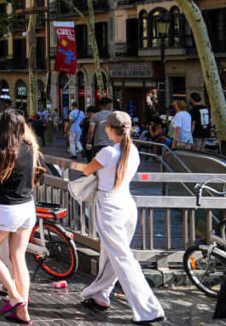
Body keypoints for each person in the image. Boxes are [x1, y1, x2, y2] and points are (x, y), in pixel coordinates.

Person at [71, 111, 165, 324]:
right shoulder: (133, 151)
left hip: (109, 206)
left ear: (110, 129)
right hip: (127, 205)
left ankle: (148, 309)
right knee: (112, 254)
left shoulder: (106, 152)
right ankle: (100, 295)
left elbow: (87, 170)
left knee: (122, 258)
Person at [0, 110, 40, 325]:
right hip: (27, 206)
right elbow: (33, 177)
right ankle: (23, 309)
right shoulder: (31, 147)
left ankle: (15, 297)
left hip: (6, 208)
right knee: (18, 256)